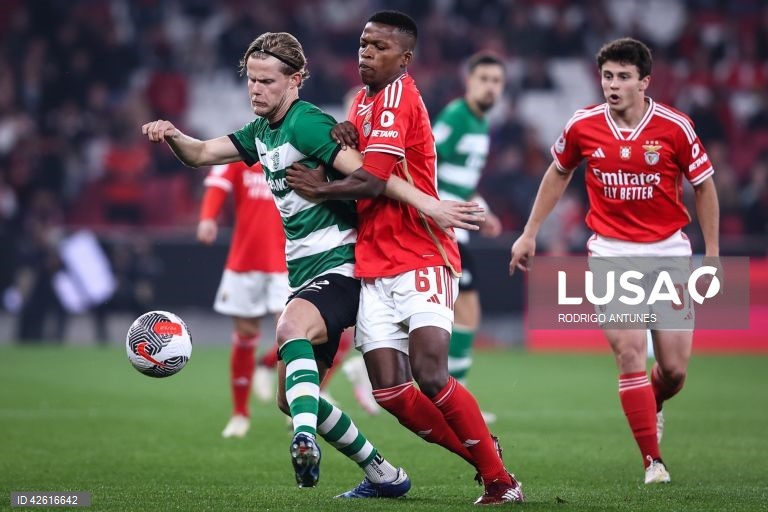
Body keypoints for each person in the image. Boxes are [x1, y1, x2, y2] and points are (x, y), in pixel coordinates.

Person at [142, 31, 481, 498]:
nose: (255, 89)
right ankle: (383, 473)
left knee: (289, 331)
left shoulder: (305, 124)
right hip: (306, 273)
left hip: (343, 265)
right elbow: (200, 154)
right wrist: (174, 136)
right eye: (251, 80)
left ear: (295, 80)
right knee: (290, 397)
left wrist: (431, 204)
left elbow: (371, 174)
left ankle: (304, 440)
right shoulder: (261, 133)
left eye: (266, 81)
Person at [286, 11, 523, 505]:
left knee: (432, 372)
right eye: (362, 44)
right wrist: (344, 135)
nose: (365, 53)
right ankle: (484, 456)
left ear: (405, 58)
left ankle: (501, 482)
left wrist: (321, 188)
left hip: (420, 252)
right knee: (390, 392)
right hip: (374, 262)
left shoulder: (399, 96)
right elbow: (359, 159)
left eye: (378, 47)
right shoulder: (365, 103)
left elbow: (373, 180)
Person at [508, 38, 720, 484]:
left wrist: (713, 254)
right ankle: (653, 461)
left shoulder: (675, 126)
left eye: (624, 76)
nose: (613, 84)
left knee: (675, 372)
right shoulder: (583, 125)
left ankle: (654, 400)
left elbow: (704, 186)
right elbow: (557, 173)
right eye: (607, 76)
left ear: (645, 81)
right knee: (628, 352)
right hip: (611, 253)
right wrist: (529, 233)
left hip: (668, 253)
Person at [434, 52, 506, 424]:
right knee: (463, 311)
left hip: (457, 226)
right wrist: (433, 212)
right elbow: (425, 160)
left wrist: (483, 209)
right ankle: (454, 404)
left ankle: (455, 400)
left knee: (463, 312)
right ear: (470, 81)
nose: (490, 87)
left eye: (496, 81)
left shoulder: (480, 124)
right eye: (484, 79)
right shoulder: (456, 117)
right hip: (441, 228)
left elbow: (462, 182)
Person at [196, 160, 289, 438]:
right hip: (245, 260)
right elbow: (217, 182)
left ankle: (296, 409)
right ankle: (239, 414)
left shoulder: (296, 147)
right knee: (245, 335)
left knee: (293, 334)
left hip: (289, 261)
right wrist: (207, 217)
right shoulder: (242, 150)